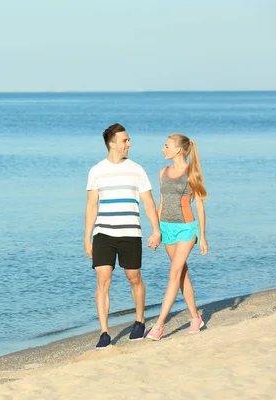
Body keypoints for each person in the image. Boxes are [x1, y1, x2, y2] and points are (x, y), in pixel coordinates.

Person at [85, 123, 161, 348]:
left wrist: (155, 230)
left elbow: (148, 202)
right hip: (104, 233)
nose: (129, 144)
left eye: (128, 140)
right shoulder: (96, 170)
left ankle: (139, 321)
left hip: (130, 233)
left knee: (134, 278)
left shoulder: (137, 169)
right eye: (125, 140)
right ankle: (104, 333)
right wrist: (87, 237)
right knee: (102, 281)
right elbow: (91, 206)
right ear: (112, 143)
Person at [146, 133, 208, 341]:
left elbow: (199, 204)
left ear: (178, 150)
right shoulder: (163, 172)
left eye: (166, 146)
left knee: (174, 272)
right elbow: (161, 203)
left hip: (186, 229)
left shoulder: (192, 173)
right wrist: (156, 231)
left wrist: (203, 235)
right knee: (182, 274)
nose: (163, 149)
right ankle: (195, 318)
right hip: (167, 228)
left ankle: (159, 324)